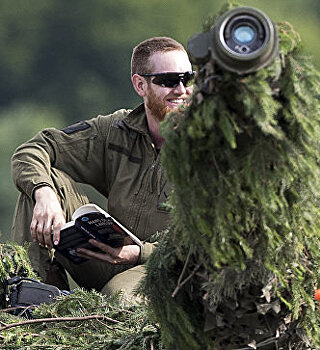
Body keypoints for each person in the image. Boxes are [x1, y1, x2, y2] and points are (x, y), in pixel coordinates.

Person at [10, 36, 194, 302]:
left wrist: (141, 253)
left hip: (166, 266)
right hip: (103, 254)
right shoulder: (116, 130)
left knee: (120, 299)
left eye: (187, 79)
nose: (181, 89)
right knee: (41, 180)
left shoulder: (209, 147)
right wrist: (44, 193)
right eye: (168, 81)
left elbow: (212, 244)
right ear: (140, 84)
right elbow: (34, 149)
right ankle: (30, 296)